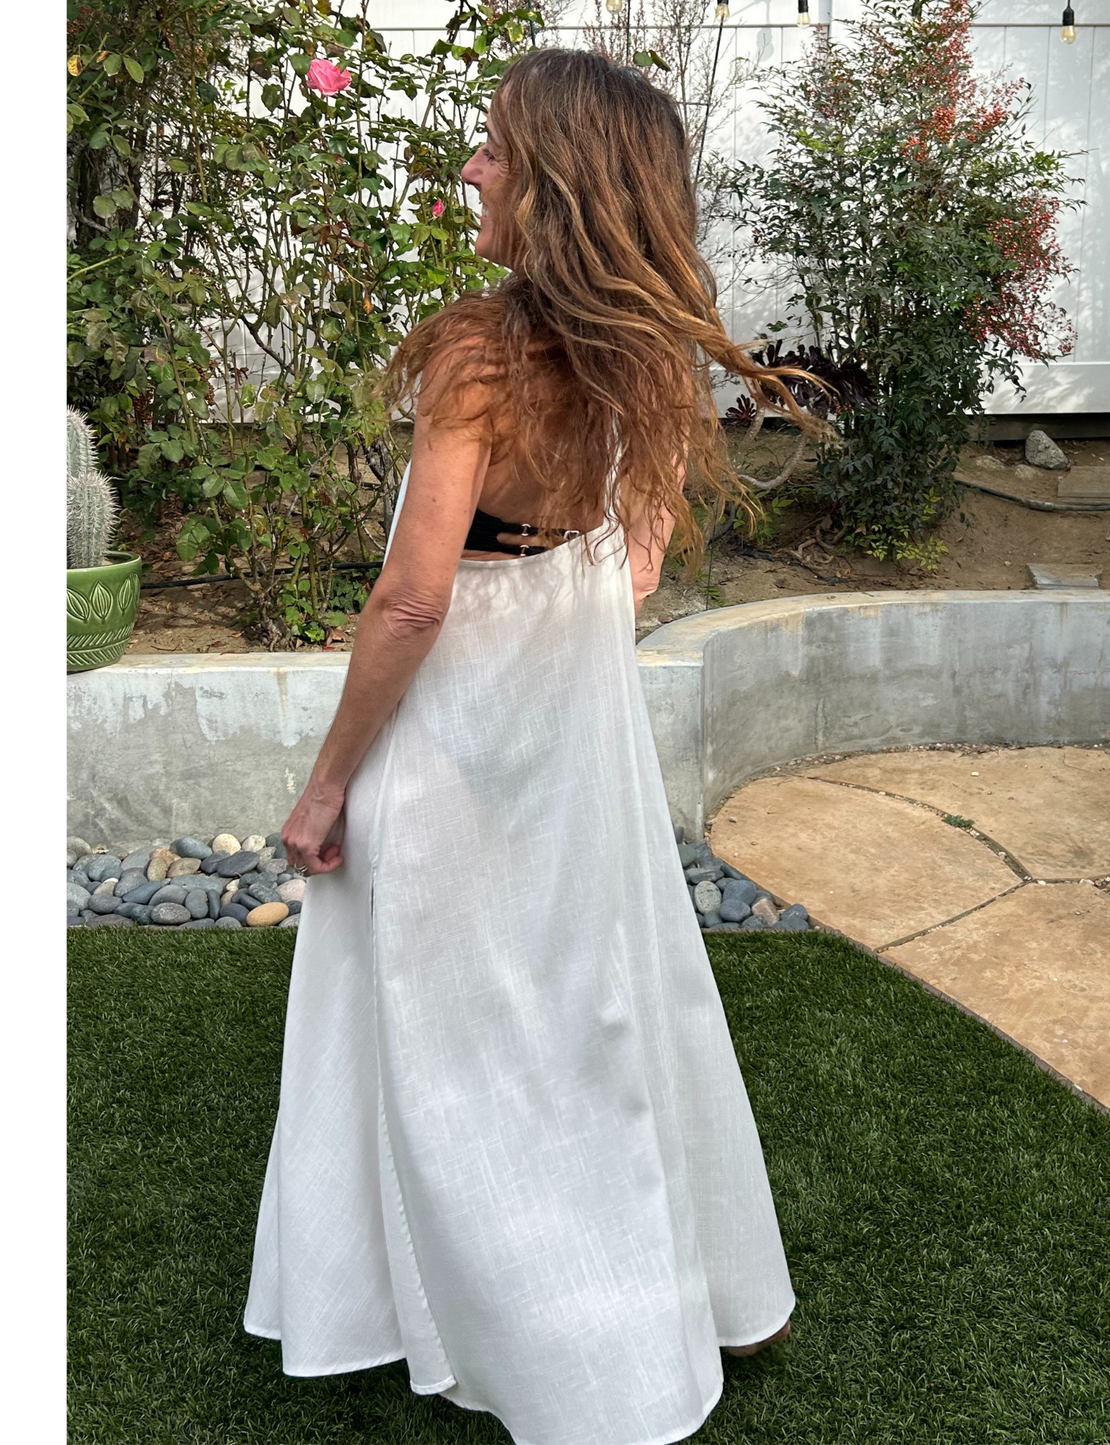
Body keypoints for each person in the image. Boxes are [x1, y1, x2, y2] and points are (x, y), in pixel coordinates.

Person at [243, 47, 827, 1445]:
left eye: (497, 149)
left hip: (453, 723)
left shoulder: (479, 354)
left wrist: (326, 783)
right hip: (567, 724)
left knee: (445, 1017)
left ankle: (480, 1313)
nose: (475, 167)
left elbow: (414, 593)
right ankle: (681, 1281)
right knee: (595, 994)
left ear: (557, 181)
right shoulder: (646, 347)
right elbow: (636, 555)